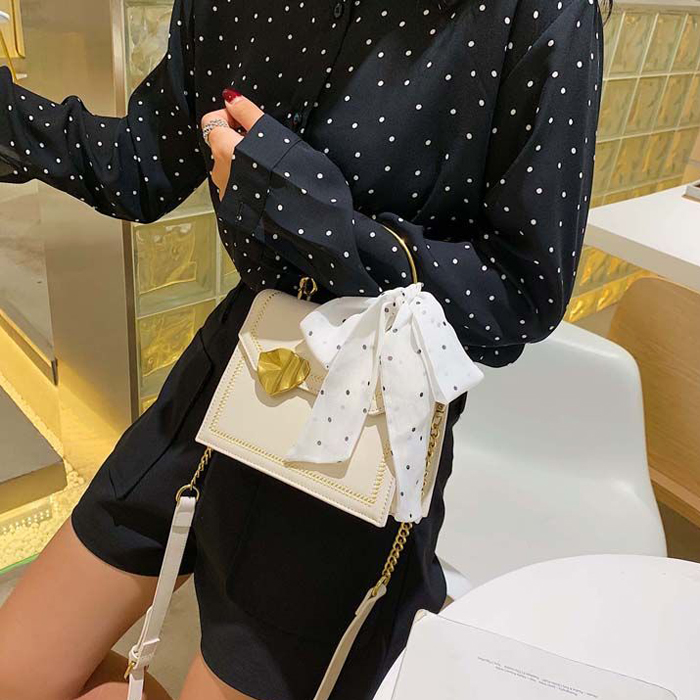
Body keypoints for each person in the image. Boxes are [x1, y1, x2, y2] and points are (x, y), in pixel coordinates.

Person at [0, 0, 609, 698]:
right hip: (232, 368)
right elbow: (142, 166)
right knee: (16, 674)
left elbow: (520, 292)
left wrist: (295, 205)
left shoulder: (537, 15)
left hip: (365, 426)